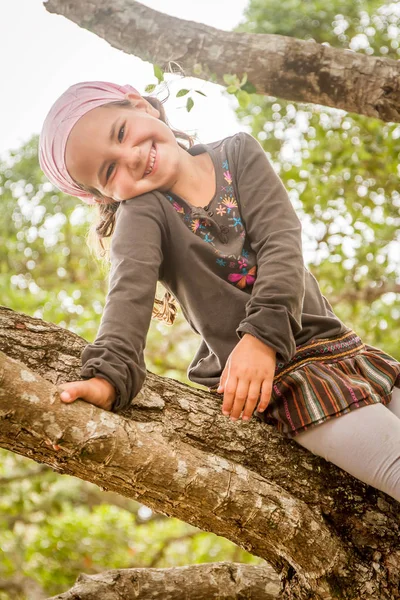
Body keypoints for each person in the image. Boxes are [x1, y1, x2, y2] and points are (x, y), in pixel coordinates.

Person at [39, 81, 400, 501]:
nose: (131, 157)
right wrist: (107, 377)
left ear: (141, 105)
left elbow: (281, 243)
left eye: (121, 132)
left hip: (342, 348)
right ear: (103, 196)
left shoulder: (238, 153)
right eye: (109, 171)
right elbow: (127, 294)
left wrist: (261, 335)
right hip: (283, 381)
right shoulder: (142, 215)